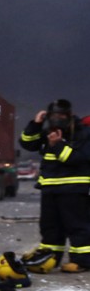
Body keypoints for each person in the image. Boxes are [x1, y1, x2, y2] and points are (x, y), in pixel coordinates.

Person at [18, 99, 90, 273]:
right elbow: (27, 143)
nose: (58, 119)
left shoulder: (83, 133)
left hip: (74, 189)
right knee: (50, 227)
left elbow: (77, 158)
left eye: (61, 115)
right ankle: (50, 259)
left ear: (69, 115)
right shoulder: (48, 132)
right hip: (50, 189)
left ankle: (83, 261)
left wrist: (57, 145)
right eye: (54, 115)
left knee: (77, 226)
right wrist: (35, 124)